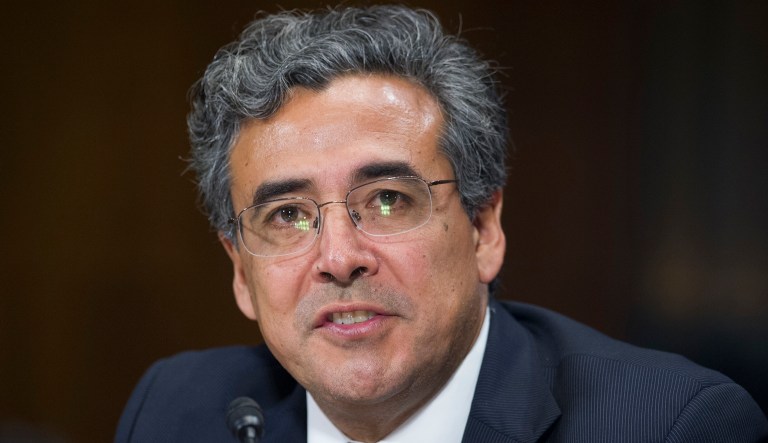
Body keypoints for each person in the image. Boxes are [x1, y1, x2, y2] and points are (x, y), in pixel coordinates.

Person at [115, 5, 768, 442]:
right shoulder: (177, 411)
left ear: (484, 229)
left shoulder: (671, 426)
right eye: (287, 215)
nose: (339, 257)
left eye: (388, 200)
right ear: (238, 269)